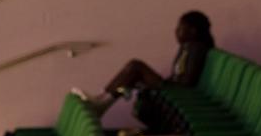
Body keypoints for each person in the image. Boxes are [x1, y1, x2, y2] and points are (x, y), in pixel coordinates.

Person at [75, 10, 214, 115]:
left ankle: (102, 100)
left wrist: (166, 83)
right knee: (133, 75)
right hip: (174, 87)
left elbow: (187, 80)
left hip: (180, 91)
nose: (176, 31)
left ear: (193, 31)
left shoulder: (196, 48)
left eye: (180, 28)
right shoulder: (186, 47)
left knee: (136, 66)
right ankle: (102, 101)